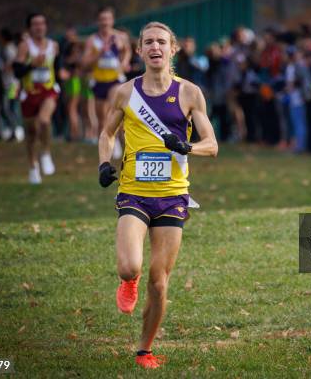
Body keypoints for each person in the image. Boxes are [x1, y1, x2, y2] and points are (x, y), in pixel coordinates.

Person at [97, 21, 218, 369]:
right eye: (148, 42)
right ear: (139, 51)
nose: (155, 47)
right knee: (130, 266)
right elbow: (107, 134)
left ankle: (144, 350)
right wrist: (105, 163)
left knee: (160, 282)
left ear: (173, 49)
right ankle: (128, 281)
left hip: (172, 196)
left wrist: (187, 146)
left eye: (161, 42)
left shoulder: (190, 93)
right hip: (134, 192)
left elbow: (212, 145)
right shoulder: (124, 93)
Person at [13, 13, 61, 184]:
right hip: (29, 93)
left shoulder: (53, 46)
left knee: (44, 121)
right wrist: (31, 65)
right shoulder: (25, 46)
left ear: (46, 26)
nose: (39, 27)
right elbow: (17, 71)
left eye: (42, 23)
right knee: (31, 134)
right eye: (35, 24)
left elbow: (56, 67)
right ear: (29, 28)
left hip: (48, 90)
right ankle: (33, 167)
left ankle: (46, 153)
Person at [82, 6, 131, 155]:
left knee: (112, 104)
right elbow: (85, 63)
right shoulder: (92, 40)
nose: (105, 22)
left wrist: (124, 62)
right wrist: (99, 54)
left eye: (108, 19)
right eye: (102, 19)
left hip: (116, 79)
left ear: (112, 20)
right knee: (102, 116)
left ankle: (115, 138)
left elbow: (127, 51)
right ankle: (111, 140)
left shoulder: (120, 37)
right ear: (98, 21)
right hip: (98, 81)